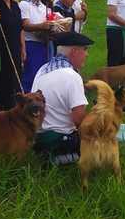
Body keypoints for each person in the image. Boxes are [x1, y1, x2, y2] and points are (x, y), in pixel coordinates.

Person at [31, 30, 94, 165]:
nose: (87, 54)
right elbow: (78, 120)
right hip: (60, 141)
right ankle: (63, 159)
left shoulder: (42, 69)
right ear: (75, 51)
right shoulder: (71, 76)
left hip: (37, 140)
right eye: (85, 50)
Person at [20, 0, 55, 93]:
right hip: (31, 45)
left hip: (45, 44)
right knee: (30, 77)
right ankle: (26, 104)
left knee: (44, 77)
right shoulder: (24, 5)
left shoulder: (45, 8)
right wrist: (42, 26)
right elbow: (25, 25)